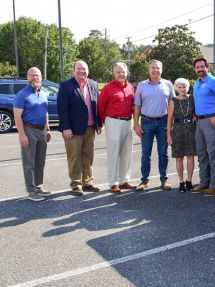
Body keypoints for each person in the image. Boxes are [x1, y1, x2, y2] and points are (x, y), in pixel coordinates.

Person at [57, 60, 102, 196]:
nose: (82, 71)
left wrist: (99, 123)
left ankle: (87, 182)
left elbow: (97, 105)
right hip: (73, 130)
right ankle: (76, 184)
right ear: (73, 71)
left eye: (84, 69)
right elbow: (62, 108)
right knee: (74, 157)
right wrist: (66, 127)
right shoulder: (66, 86)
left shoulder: (93, 84)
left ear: (88, 71)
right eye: (79, 69)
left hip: (90, 128)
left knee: (88, 156)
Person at [191, 57, 215, 197]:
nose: (200, 69)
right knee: (201, 154)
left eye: (202, 66)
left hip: (211, 121)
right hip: (200, 122)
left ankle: (214, 185)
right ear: (195, 69)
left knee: (212, 155)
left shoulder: (213, 81)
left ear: (207, 67)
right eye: (197, 67)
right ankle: (204, 182)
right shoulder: (197, 82)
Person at [133, 59, 175, 191]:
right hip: (146, 122)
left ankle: (164, 180)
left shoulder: (168, 84)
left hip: (163, 122)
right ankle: (144, 181)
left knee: (163, 153)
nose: (155, 70)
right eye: (153, 68)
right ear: (149, 70)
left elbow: (172, 105)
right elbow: (137, 106)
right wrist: (136, 125)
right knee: (146, 153)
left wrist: (171, 124)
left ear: (161, 70)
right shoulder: (141, 85)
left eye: (157, 68)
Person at [13, 67, 51, 201]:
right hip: (28, 130)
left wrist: (47, 129)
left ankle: (38, 186)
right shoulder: (22, 94)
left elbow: (45, 112)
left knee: (40, 161)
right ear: (27, 77)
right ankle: (31, 191)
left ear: (41, 77)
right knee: (29, 163)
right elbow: (17, 116)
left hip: (42, 130)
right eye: (32, 75)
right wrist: (22, 134)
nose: (35, 78)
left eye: (38, 75)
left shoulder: (44, 93)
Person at [98, 62, 136, 193]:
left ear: (127, 73)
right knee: (113, 153)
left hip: (128, 122)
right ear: (114, 73)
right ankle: (113, 182)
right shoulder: (108, 88)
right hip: (113, 121)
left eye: (123, 72)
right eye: (118, 72)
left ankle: (124, 180)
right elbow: (101, 106)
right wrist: (106, 122)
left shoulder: (130, 87)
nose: (121, 74)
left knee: (127, 152)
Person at [166, 78, 196, 192]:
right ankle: (181, 182)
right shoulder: (173, 101)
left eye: (184, 86)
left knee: (190, 157)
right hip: (177, 130)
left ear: (188, 87)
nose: (182, 89)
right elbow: (169, 120)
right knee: (179, 158)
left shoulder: (192, 99)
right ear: (176, 88)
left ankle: (189, 181)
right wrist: (168, 135)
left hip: (191, 129)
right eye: (179, 87)